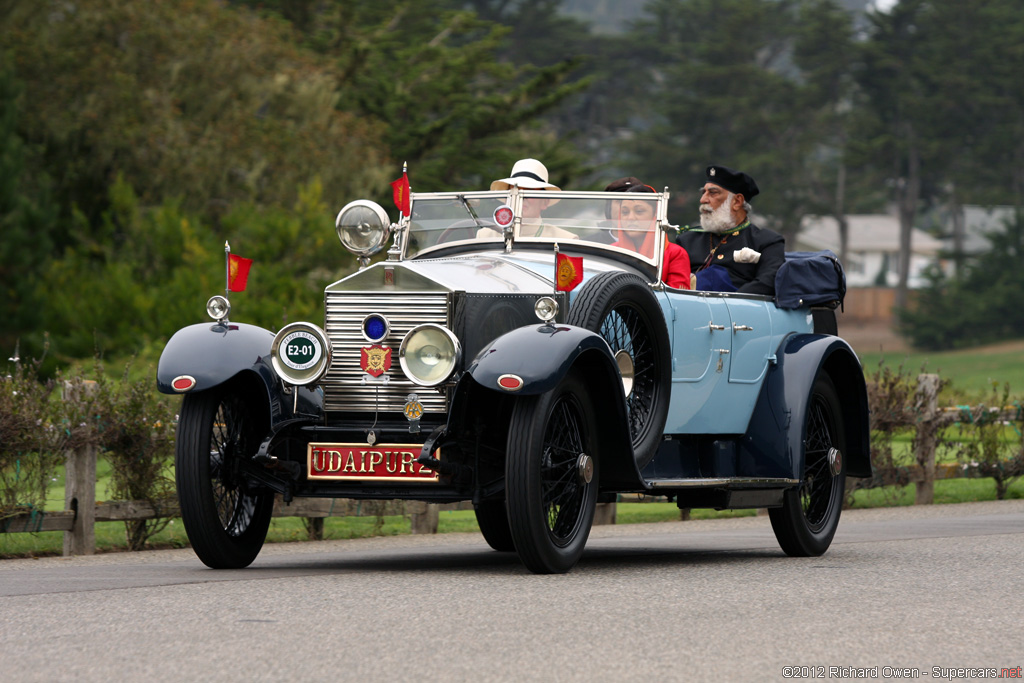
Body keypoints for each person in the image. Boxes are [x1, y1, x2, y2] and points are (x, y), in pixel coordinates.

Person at [675, 165, 784, 295]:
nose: (703, 199)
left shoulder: (767, 242)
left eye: (713, 193)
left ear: (737, 202)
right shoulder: (687, 240)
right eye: (703, 192)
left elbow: (768, 283)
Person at [606, 179, 691, 289]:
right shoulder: (611, 251)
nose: (630, 218)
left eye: (639, 211)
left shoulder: (675, 254)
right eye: (625, 212)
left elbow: (677, 301)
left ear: (655, 215)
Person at [483, 158, 576, 240]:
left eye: (529, 191)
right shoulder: (486, 236)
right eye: (515, 191)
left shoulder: (565, 240)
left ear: (545, 202)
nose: (521, 198)